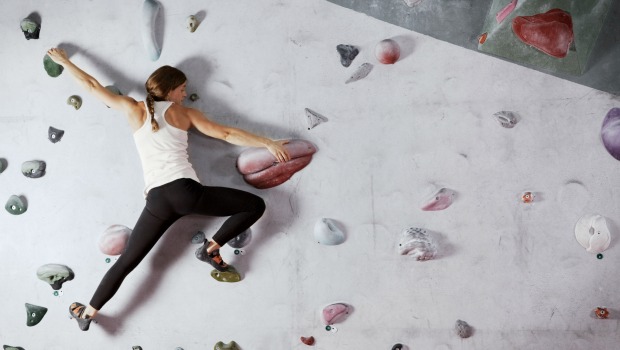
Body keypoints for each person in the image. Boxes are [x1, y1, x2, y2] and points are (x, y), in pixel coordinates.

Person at [46, 48, 290, 331]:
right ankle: (211, 248)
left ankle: (87, 313)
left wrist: (64, 62)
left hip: (157, 201)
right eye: (183, 88)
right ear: (172, 88)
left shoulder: (133, 108)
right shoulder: (184, 114)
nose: (185, 94)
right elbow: (226, 133)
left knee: (127, 261)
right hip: (185, 193)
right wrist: (267, 143)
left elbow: (92, 86)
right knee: (254, 205)